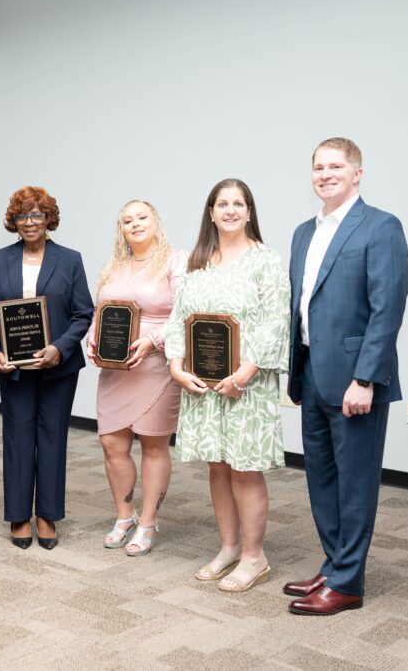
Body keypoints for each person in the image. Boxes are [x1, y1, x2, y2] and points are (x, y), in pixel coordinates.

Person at [284, 138, 408, 615]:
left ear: (357, 173)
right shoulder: (304, 233)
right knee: (321, 478)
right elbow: (302, 308)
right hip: (312, 372)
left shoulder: (381, 226)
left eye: (336, 166)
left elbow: (387, 309)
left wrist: (366, 378)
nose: (325, 174)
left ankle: (348, 583)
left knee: (355, 484)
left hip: (357, 379)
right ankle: (334, 564)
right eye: (318, 167)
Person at [165, 178, 290, 592]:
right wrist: (176, 365)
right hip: (203, 386)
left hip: (246, 386)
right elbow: (179, 317)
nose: (230, 210)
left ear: (250, 212)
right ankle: (230, 547)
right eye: (223, 204)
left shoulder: (265, 261)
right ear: (211, 213)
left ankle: (255, 557)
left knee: (244, 468)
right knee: (217, 466)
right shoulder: (199, 261)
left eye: (238, 203)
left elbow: (276, 322)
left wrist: (245, 374)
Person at [0, 186, 94, 549]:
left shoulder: (70, 259)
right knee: (17, 438)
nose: (30, 222)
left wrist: (60, 348)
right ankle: (18, 514)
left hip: (59, 367)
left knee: (52, 437)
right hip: (13, 368)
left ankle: (47, 514)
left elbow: (83, 313)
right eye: (22, 216)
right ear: (13, 222)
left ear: (49, 220)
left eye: (37, 215)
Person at [86, 200, 186, 555]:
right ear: (122, 230)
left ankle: (147, 522)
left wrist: (154, 340)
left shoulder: (175, 261)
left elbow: (185, 312)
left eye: (142, 217)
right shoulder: (114, 266)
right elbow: (100, 312)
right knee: (112, 443)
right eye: (127, 220)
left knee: (153, 445)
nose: (135, 224)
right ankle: (124, 516)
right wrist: (93, 340)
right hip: (116, 369)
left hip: (157, 366)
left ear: (155, 221)